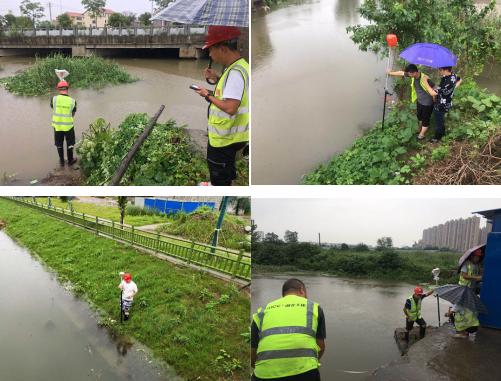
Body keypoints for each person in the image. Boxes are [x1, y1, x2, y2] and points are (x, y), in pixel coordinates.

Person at [194, 26, 249, 186]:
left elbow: (231, 107)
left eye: (211, 50)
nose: (210, 54)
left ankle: (218, 186)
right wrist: (217, 77)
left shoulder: (235, 73)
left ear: (223, 49)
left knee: (219, 171)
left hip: (224, 138)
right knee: (227, 168)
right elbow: (232, 91)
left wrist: (207, 95)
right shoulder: (239, 67)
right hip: (232, 135)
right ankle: (224, 182)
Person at [251, 278, 326, 381]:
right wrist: (312, 362)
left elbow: (252, 351)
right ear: (301, 290)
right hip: (305, 372)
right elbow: (321, 346)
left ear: (284, 295)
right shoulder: (314, 307)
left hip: (264, 374)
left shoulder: (262, 311)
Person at [388, 64, 437, 140]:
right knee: (419, 116)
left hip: (427, 103)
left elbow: (434, 88)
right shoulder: (413, 75)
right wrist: (390, 73)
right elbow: (402, 73)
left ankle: (421, 135)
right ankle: (421, 128)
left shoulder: (424, 78)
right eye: (409, 74)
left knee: (425, 119)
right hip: (420, 101)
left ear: (415, 72)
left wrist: (434, 98)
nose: (409, 75)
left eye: (410, 74)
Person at [50, 80, 77, 167]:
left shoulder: (54, 99)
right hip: (68, 126)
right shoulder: (72, 101)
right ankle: (70, 161)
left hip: (57, 126)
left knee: (59, 144)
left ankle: (61, 162)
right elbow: (73, 114)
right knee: (70, 144)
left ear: (58, 89)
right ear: (67, 88)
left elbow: (52, 108)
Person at [432, 67, 462, 142]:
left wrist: (426, 84)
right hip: (447, 102)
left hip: (442, 104)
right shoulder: (453, 76)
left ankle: (437, 137)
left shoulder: (448, 83)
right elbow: (460, 79)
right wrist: (453, 89)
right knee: (440, 118)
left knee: (439, 120)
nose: (439, 71)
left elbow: (435, 92)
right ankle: (442, 132)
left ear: (446, 70)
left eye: (440, 70)